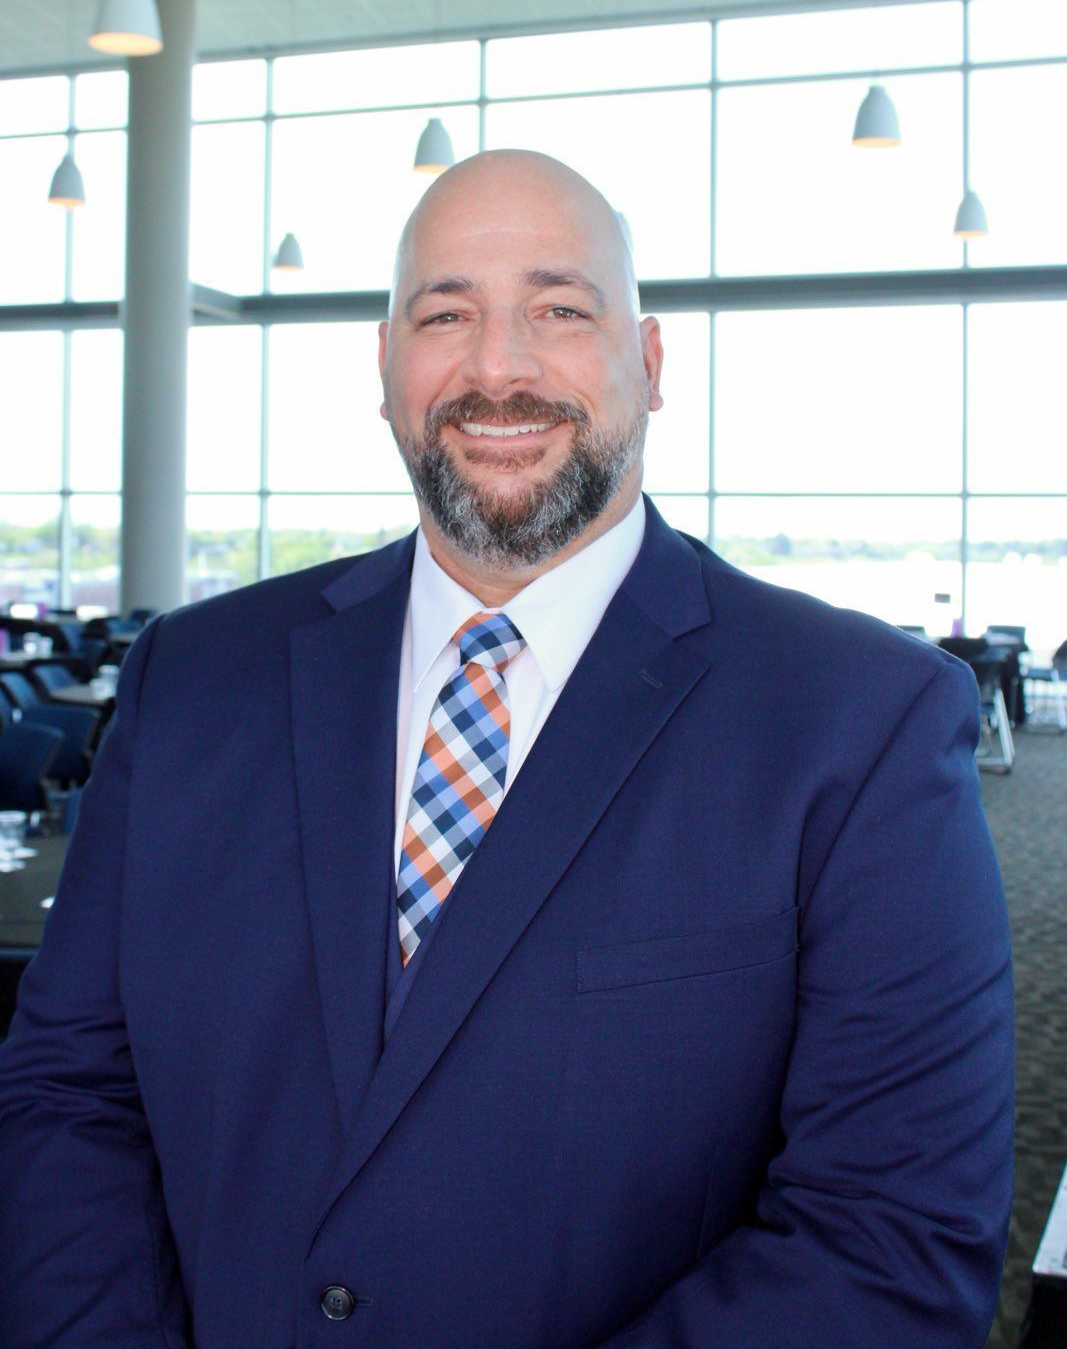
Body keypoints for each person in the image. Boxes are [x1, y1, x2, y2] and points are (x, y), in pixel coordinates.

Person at [0, 150, 1013, 1348]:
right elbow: (68, 1093)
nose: (497, 366)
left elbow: (886, 1237)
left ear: (647, 361)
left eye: (558, 308)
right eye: (445, 313)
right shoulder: (193, 678)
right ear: (384, 369)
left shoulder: (860, 720)